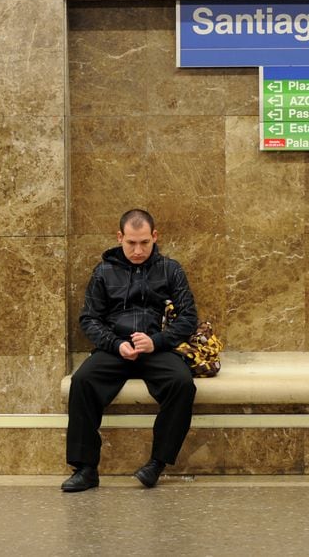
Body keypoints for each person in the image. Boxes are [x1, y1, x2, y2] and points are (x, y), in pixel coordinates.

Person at [62, 209, 198, 492]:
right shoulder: (104, 271)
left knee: (182, 384)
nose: (138, 250)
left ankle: (157, 464)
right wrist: (115, 343)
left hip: (157, 349)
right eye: (131, 243)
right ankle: (85, 469)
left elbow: (188, 317)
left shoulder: (171, 269)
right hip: (115, 348)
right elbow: (89, 318)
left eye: (145, 243)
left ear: (155, 237)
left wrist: (157, 341)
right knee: (82, 382)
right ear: (120, 237)